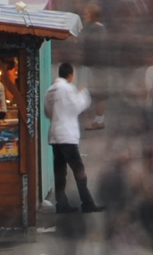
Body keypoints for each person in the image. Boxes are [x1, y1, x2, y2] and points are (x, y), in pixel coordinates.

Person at [43, 62, 101, 213]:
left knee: (60, 171)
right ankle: (87, 203)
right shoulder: (67, 88)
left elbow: (47, 112)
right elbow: (78, 106)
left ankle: (61, 204)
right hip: (66, 135)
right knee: (78, 169)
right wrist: (83, 92)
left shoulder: (49, 90)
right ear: (70, 76)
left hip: (55, 134)